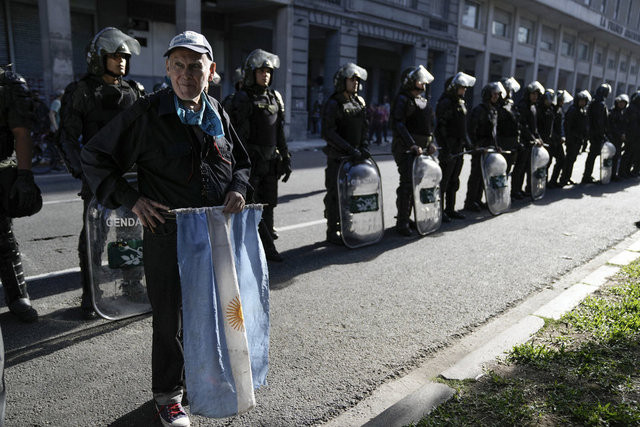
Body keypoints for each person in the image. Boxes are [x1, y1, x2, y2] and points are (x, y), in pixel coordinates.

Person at [81, 30, 251, 427]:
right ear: (167, 69)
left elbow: (241, 162)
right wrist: (132, 199)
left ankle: (200, 380)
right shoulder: (147, 113)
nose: (186, 74)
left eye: (195, 66)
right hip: (168, 235)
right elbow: (95, 156)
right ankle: (168, 396)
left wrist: (239, 188)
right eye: (178, 65)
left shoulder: (217, 112)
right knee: (169, 320)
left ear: (211, 71)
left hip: (212, 236)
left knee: (208, 312)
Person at [58, 27, 145, 319]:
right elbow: (67, 138)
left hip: (129, 177)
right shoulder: (82, 91)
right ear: (99, 58)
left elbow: (144, 135)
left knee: (130, 233)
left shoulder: (134, 90)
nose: (121, 61)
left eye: (124, 56)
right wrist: (83, 173)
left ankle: (132, 286)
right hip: (97, 176)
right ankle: (90, 294)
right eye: (114, 56)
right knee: (94, 237)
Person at [228, 49, 290, 261]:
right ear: (251, 73)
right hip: (252, 162)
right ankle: (260, 248)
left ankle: (267, 243)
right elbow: (239, 136)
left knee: (269, 204)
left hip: (271, 161)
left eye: (269, 72)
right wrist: (244, 162)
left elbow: (279, 130)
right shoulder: (242, 98)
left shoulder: (274, 97)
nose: (266, 75)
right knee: (252, 207)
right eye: (262, 71)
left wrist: (286, 156)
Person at [0, 66, 40, 322]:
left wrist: (24, 176)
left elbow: (21, 132)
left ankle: (17, 295)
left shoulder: (7, 84)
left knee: (3, 239)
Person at [321, 63, 369, 244]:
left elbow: (365, 128)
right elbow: (328, 132)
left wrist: (364, 147)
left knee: (351, 194)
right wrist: (350, 149)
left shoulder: (359, 102)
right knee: (335, 195)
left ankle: (347, 228)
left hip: (355, 157)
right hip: (338, 158)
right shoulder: (334, 103)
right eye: (352, 79)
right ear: (343, 81)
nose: (355, 82)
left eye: (357, 79)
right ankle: (332, 230)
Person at [391, 65, 436, 235]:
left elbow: (429, 127)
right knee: (407, 184)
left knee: (417, 184)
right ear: (410, 82)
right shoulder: (402, 99)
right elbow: (398, 124)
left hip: (421, 149)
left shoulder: (422, 101)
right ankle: (402, 222)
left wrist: (430, 143)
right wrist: (411, 145)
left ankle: (408, 216)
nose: (423, 84)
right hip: (406, 149)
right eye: (419, 81)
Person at [435, 72, 476, 221]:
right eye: (461, 88)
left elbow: (462, 127)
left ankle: (450, 209)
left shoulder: (461, 103)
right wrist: (445, 149)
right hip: (449, 146)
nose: (464, 90)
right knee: (444, 181)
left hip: (459, 147)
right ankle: (439, 211)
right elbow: (440, 128)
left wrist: (468, 143)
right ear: (454, 87)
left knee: (454, 180)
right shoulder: (445, 102)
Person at [464, 82, 502, 212]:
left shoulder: (493, 110)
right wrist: (475, 146)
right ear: (488, 95)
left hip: (489, 148)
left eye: (498, 94)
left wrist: (497, 146)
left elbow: (494, 132)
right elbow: (471, 129)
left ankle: (478, 200)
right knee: (476, 175)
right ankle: (470, 201)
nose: (497, 96)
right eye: (494, 94)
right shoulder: (479, 110)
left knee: (485, 175)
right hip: (480, 147)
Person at [512, 81, 544, 199]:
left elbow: (534, 127)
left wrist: (538, 138)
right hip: (523, 142)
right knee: (519, 168)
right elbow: (523, 125)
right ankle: (515, 190)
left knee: (528, 167)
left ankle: (525, 189)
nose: (535, 96)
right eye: (533, 94)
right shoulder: (523, 106)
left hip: (531, 142)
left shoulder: (533, 106)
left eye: (536, 94)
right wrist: (532, 138)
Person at [559, 90, 591, 187]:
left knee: (572, 159)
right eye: (581, 101)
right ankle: (563, 178)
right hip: (572, 139)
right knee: (569, 159)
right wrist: (569, 138)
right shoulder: (572, 110)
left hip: (578, 139)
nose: (582, 103)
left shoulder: (582, 111)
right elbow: (567, 125)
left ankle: (568, 177)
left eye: (584, 101)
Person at [582, 83, 611, 184]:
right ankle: (587, 176)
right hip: (597, 134)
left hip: (593, 133)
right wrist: (602, 134)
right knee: (593, 155)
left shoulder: (595, 102)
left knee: (592, 156)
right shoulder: (600, 104)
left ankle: (587, 175)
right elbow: (599, 121)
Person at [496, 77, 521, 177]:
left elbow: (516, 124)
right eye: (507, 90)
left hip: (512, 143)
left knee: (506, 172)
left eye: (509, 90)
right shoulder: (496, 105)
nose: (509, 92)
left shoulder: (510, 104)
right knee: (497, 173)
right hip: (501, 142)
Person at [547, 90, 572, 188]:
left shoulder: (559, 110)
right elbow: (551, 127)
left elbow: (561, 125)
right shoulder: (552, 110)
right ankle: (543, 183)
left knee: (561, 160)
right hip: (552, 140)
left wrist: (562, 136)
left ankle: (553, 180)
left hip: (557, 140)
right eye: (561, 100)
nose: (562, 102)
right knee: (547, 163)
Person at [608, 94, 629, 181]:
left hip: (619, 139)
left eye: (623, 103)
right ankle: (608, 174)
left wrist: (623, 134)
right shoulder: (612, 112)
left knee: (616, 157)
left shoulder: (622, 113)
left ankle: (613, 174)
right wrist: (619, 134)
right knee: (610, 158)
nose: (621, 104)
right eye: (620, 103)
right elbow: (611, 126)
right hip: (612, 137)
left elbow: (623, 125)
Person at [621, 91, 640, 178]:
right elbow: (625, 122)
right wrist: (624, 133)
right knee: (628, 153)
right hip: (631, 134)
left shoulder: (636, 108)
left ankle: (627, 171)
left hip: (636, 135)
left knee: (633, 154)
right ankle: (623, 171)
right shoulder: (631, 108)